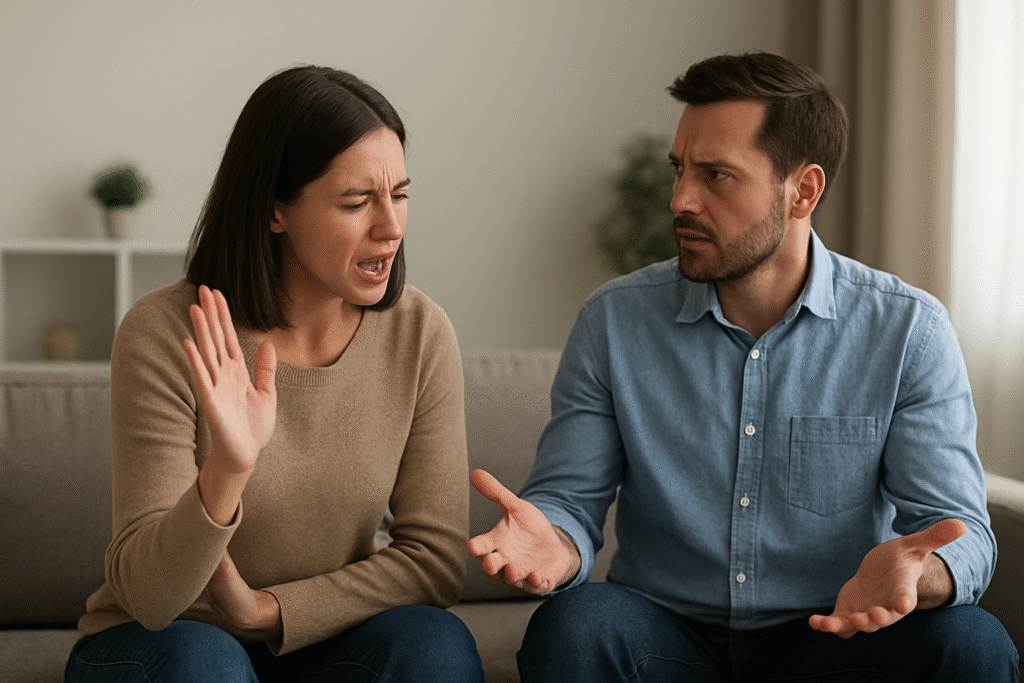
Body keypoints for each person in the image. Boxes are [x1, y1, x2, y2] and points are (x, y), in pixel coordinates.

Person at [469, 51, 1019, 681]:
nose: (681, 199)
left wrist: (921, 576)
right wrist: (557, 546)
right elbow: (569, 499)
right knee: (574, 624)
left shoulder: (908, 331)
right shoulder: (613, 322)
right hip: (665, 636)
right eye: (679, 170)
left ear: (803, 190)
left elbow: (960, 531)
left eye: (716, 176)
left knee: (971, 643)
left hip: (830, 638)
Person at [66, 66, 483, 682]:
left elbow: (435, 561)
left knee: (434, 644)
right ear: (274, 211)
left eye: (398, 195)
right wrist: (227, 470)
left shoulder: (419, 333)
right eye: (356, 201)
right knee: (205, 662)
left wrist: (273, 612)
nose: (391, 227)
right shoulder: (163, 333)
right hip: (165, 645)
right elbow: (150, 600)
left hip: (321, 638)